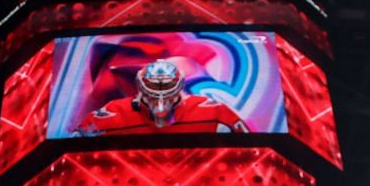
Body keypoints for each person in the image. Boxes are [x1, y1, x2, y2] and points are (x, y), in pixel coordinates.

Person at [77, 58, 248, 135]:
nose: (160, 101)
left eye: (167, 90)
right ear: (140, 88)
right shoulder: (111, 113)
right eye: (153, 90)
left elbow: (247, 153)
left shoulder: (214, 112)